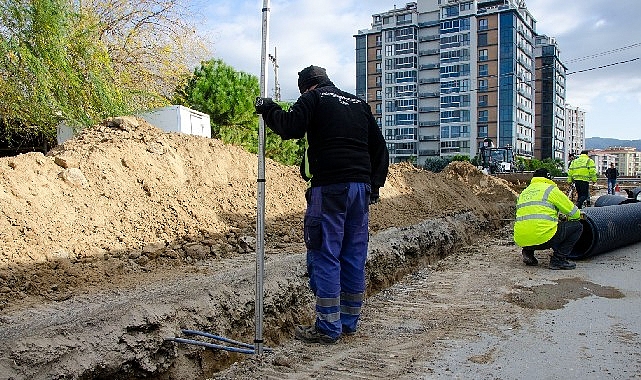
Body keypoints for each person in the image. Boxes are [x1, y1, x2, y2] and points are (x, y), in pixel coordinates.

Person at [255, 65, 389, 344]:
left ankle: (328, 326)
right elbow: (380, 149)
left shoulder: (313, 99)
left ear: (307, 87)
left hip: (330, 188)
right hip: (360, 190)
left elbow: (290, 127)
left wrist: (268, 108)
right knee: (353, 254)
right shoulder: (358, 103)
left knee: (325, 253)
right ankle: (349, 321)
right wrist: (374, 186)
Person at [514, 168, 583, 270]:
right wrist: (568, 218)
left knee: (530, 225)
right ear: (549, 178)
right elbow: (575, 213)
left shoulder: (524, 192)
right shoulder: (550, 190)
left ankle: (528, 252)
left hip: (521, 239)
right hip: (543, 239)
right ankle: (558, 260)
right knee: (577, 227)